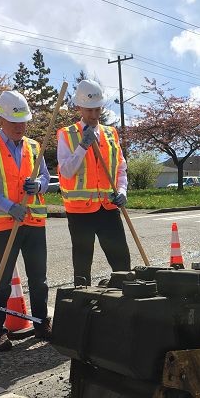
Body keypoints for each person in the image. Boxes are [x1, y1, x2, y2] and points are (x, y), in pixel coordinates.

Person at [0, 90, 51, 352]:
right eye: (14, 122)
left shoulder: (33, 146)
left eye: (24, 122)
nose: (20, 127)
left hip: (33, 223)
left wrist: (38, 186)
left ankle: (41, 322)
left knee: (39, 278)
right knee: (2, 280)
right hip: (4, 225)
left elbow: (45, 177)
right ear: (1, 120)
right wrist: (9, 207)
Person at [57, 79, 131, 286]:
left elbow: (120, 168)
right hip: (80, 212)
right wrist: (82, 146)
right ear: (79, 107)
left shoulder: (110, 134)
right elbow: (66, 171)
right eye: (89, 110)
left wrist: (122, 190)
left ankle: (123, 306)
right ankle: (83, 309)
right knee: (82, 266)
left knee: (122, 262)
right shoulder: (67, 135)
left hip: (108, 207)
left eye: (97, 109)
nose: (93, 115)